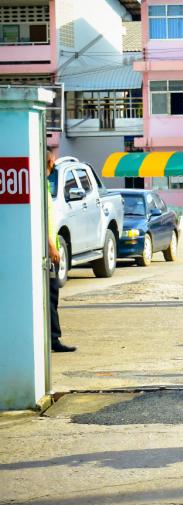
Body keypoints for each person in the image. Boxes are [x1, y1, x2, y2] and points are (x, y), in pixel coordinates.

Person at [44, 144, 73, 353]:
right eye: (53, 161)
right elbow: (42, 221)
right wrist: (52, 247)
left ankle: (53, 337)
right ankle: (53, 339)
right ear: (50, 162)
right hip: (47, 251)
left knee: (52, 295)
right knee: (51, 295)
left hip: (50, 248)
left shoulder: (44, 185)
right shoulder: (40, 187)